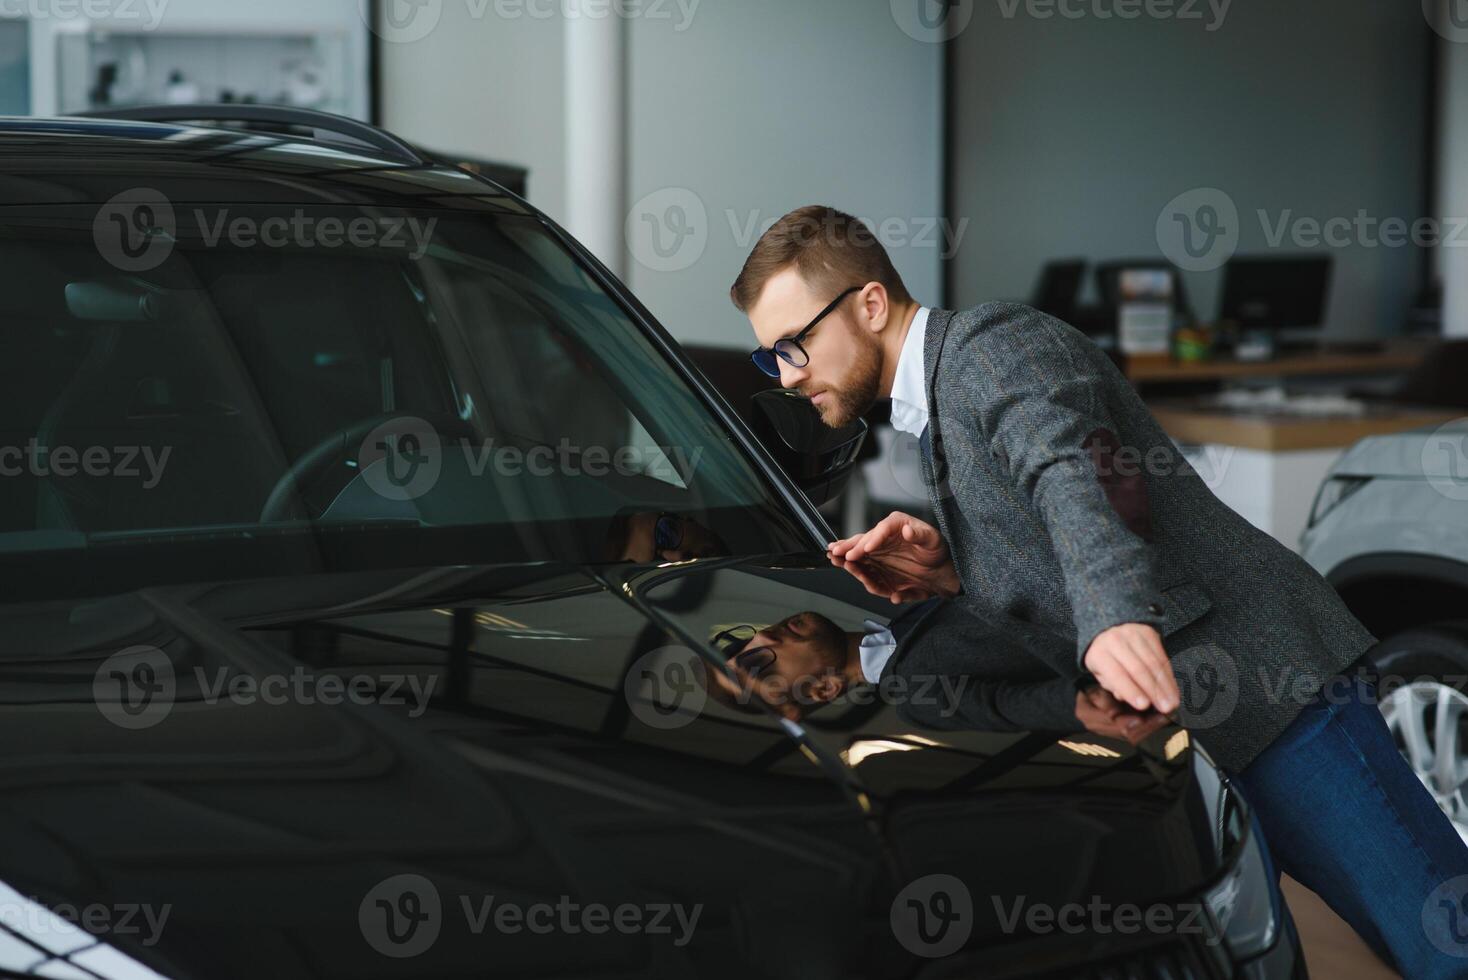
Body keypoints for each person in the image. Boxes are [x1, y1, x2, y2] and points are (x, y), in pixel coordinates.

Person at [728, 204, 1468, 977]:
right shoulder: (936, 407)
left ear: (870, 304)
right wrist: (957, 569)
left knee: (1442, 939)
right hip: (1196, 731)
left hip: (1273, 691)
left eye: (795, 344)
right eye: (769, 358)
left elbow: (1074, 472)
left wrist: (1113, 617)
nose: (788, 375)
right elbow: (1048, 537)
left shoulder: (989, 346)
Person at [705, 598, 1172, 747]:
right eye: (755, 663)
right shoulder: (917, 696)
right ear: (825, 688)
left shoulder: (907, 611)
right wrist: (1074, 707)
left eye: (741, 641)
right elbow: (999, 706)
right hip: (1180, 656)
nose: (761, 640)